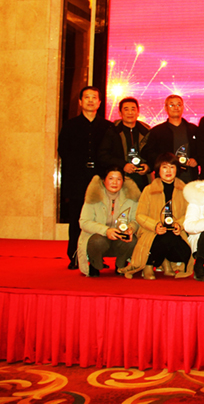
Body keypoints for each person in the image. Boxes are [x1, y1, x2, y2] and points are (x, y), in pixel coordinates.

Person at [58, 86, 112, 268]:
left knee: (99, 219)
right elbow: (63, 151)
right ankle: (74, 256)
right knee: (76, 218)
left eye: (94, 97)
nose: (90, 100)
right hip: (77, 178)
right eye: (87, 97)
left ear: (99, 102)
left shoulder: (107, 126)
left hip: (100, 179)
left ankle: (97, 257)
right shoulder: (70, 125)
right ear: (80, 102)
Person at [120, 153, 193, 280]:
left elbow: (189, 213)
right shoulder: (148, 190)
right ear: (158, 170)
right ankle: (148, 264)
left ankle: (165, 261)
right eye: (164, 167)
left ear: (177, 169)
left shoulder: (184, 190)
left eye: (172, 167)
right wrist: (155, 225)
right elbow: (140, 215)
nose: (168, 171)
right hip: (152, 232)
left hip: (174, 233)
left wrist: (179, 224)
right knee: (163, 237)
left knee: (185, 253)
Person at [77, 166, 140, 277]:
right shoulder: (93, 196)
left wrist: (131, 228)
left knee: (132, 240)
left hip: (120, 238)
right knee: (97, 241)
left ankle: (121, 265)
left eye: (118, 179)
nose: (114, 182)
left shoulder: (132, 198)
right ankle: (95, 264)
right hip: (99, 238)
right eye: (111, 178)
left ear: (123, 181)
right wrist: (106, 231)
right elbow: (84, 222)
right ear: (104, 180)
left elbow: (136, 220)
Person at [142, 94, 200, 183]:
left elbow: (202, 149)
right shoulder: (157, 131)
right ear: (165, 108)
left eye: (179, 105)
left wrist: (196, 160)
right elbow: (149, 152)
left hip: (190, 177)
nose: (176, 108)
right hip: (165, 178)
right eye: (171, 105)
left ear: (183, 107)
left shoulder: (193, 129)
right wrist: (163, 163)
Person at [98, 96, 151, 191]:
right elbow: (103, 156)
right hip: (120, 180)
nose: (130, 112)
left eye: (133, 109)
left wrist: (148, 167)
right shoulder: (112, 131)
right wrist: (123, 165)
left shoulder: (146, 131)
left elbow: (153, 154)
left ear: (138, 112)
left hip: (142, 180)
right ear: (120, 113)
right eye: (126, 109)